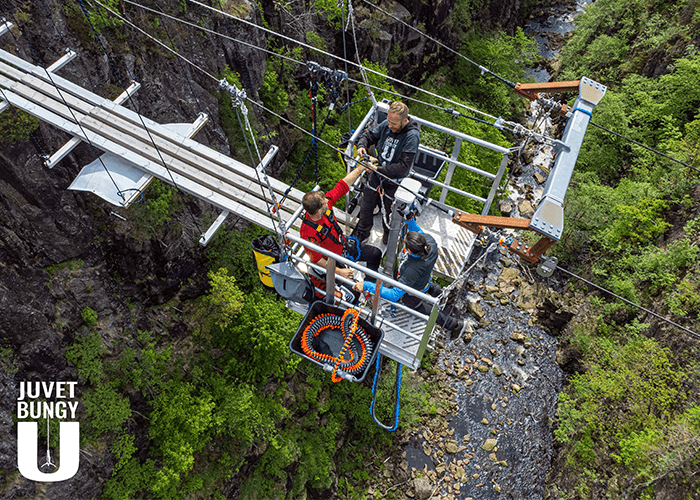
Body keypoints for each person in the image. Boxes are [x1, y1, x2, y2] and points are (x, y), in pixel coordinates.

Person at [352, 214, 467, 339]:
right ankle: (446, 296)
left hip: (413, 290)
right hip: (424, 278)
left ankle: (454, 325)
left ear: (409, 251)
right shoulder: (430, 244)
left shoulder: (412, 269)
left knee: (419, 306)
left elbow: (394, 295)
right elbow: (418, 231)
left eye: (405, 241)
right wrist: (409, 219)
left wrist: (366, 285)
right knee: (427, 286)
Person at [301, 164, 382, 298]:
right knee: (353, 294)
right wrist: (339, 271)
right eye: (324, 203)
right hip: (331, 261)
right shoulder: (308, 233)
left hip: (342, 246)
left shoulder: (325, 207)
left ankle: (369, 284)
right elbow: (316, 259)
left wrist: (361, 168)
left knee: (375, 254)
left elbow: (343, 185)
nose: (328, 202)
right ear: (317, 212)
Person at [353, 101, 420, 244]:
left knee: (391, 212)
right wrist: (362, 146)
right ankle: (363, 233)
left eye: (394, 123)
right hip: (377, 174)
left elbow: (403, 166)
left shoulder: (411, 136)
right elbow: (370, 135)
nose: (390, 126)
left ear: (404, 120)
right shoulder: (387, 125)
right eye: (389, 121)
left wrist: (378, 169)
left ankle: (388, 235)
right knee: (366, 205)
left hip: (394, 181)